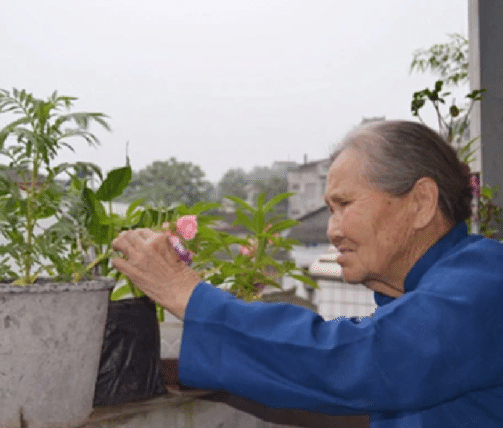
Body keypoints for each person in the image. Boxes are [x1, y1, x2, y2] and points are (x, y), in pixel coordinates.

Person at [112, 120, 503, 427]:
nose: (332, 231)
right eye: (330, 210)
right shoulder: (424, 295)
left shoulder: (485, 283)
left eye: (344, 204)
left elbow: (354, 360)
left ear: (421, 202)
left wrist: (187, 293)